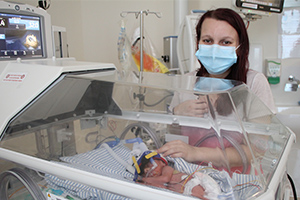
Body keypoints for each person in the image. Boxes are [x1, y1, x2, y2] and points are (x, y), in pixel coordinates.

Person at [157, 8, 276, 172]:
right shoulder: (187, 82)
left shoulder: (254, 83)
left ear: (240, 47)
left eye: (226, 42)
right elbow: (173, 137)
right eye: (207, 40)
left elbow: (257, 150)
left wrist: (197, 153)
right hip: (190, 174)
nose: (215, 49)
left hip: (235, 179)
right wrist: (177, 114)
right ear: (198, 43)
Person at [136, 152, 221, 200]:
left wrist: (143, 178)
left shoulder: (166, 169)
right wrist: (144, 184)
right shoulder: (157, 179)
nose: (148, 170)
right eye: (145, 171)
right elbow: (161, 187)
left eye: (149, 165)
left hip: (191, 184)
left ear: (162, 162)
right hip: (184, 193)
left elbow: (165, 179)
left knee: (199, 195)